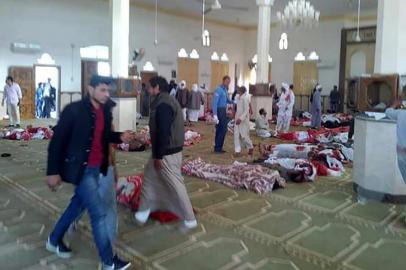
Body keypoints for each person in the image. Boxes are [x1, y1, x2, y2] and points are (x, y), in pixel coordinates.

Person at [45, 75, 134, 270]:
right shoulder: (74, 111)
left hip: (98, 167)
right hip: (81, 169)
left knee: (75, 208)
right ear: (90, 89)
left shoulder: (104, 110)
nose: (106, 94)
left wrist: (120, 136)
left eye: (108, 91)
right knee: (98, 213)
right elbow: (57, 142)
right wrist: (52, 172)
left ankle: (54, 239)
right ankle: (109, 261)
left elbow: (103, 136)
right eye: (102, 90)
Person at [134, 76, 197, 231]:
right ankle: (144, 210)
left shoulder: (163, 104)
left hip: (167, 152)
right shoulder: (163, 101)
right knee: (150, 176)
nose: (147, 90)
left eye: (149, 87)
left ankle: (190, 218)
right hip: (166, 150)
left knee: (175, 183)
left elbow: (163, 131)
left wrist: (159, 156)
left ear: (156, 88)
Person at [212, 75, 233, 153]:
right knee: (222, 129)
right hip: (219, 111)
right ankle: (218, 148)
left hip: (223, 110)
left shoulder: (224, 90)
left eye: (229, 82)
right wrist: (215, 114)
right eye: (227, 82)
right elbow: (214, 102)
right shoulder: (218, 89)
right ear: (223, 81)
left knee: (220, 129)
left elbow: (228, 100)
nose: (228, 83)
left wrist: (236, 102)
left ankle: (218, 147)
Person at [234, 86, 254, 157]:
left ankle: (250, 146)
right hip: (237, 118)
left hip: (243, 120)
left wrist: (241, 119)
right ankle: (237, 151)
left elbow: (246, 110)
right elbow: (237, 108)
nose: (237, 91)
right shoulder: (237, 97)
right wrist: (235, 116)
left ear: (241, 91)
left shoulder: (245, 98)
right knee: (236, 135)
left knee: (244, 136)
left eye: (238, 90)